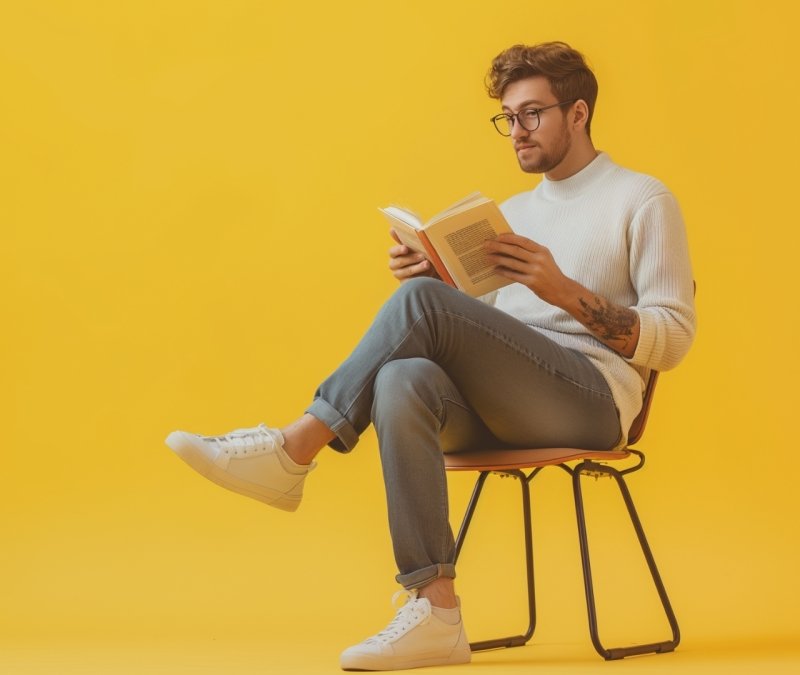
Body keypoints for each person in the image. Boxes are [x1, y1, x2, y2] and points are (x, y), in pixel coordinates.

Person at [165, 41, 696, 672]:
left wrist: (560, 290)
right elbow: (493, 336)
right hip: (515, 400)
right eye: (507, 119)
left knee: (422, 306)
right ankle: (436, 609)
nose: (516, 132)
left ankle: (294, 449)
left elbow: (675, 336)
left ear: (578, 114)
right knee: (402, 377)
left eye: (532, 115)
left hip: (592, 400)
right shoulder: (514, 215)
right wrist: (439, 279)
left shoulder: (642, 199)